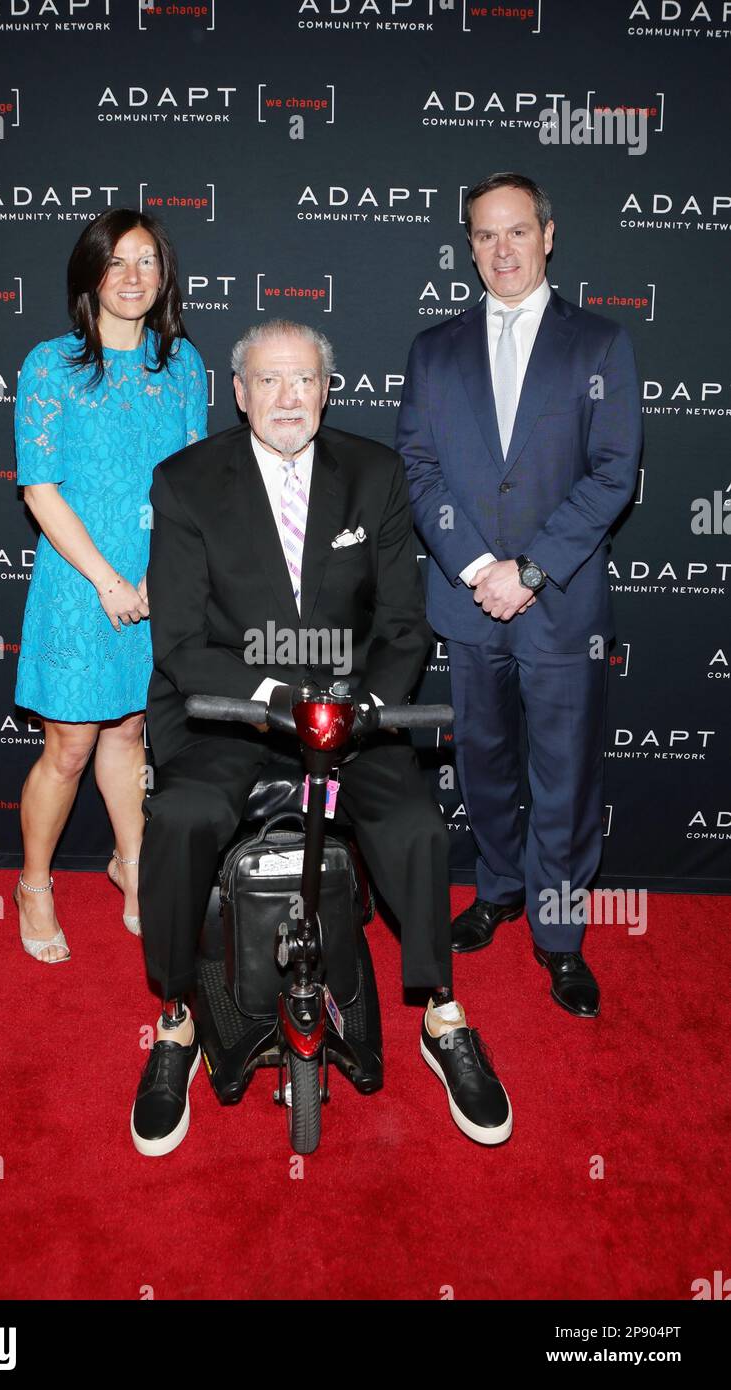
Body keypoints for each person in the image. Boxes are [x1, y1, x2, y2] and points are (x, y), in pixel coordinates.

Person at [131, 318, 514, 1157]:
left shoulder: (373, 475)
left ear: (327, 387)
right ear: (239, 394)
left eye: (303, 379)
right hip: (233, 712)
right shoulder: (185, 483)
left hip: (354, 712)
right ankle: (174, 1022)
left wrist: (359, 706)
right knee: (182, 820)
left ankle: (442, 1015)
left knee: (415, 826)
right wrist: (277, 700)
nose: (287, 398)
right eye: (267, 381)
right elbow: (183, 645)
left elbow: (404, 625)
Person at [396, 172, 642, 1017]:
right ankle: (499, 889)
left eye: (517, 232)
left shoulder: (600, 344)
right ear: (468, 247)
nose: (502, 250)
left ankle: (562, 934)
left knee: (567, 775)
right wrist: (476, 569)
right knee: (486, 763)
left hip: (560, 602)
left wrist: (528, 571)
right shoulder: (435, 348)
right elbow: (419, 469)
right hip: (467, 601)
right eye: (485, 236)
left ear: (548, 234)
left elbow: (614, 475)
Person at [13, 209, 207, 963]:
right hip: (78, 583)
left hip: (159, 580)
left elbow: (191, 482)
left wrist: (159, 576)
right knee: (68, 744)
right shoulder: (49, 365)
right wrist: (108, 580)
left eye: (149, 262)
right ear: (89, 273)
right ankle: (34, 884)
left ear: (165, 277)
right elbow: (39, 489)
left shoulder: (180, 363)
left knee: (130, 729)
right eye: (118, 262)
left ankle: (132, 867)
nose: (134, 278)